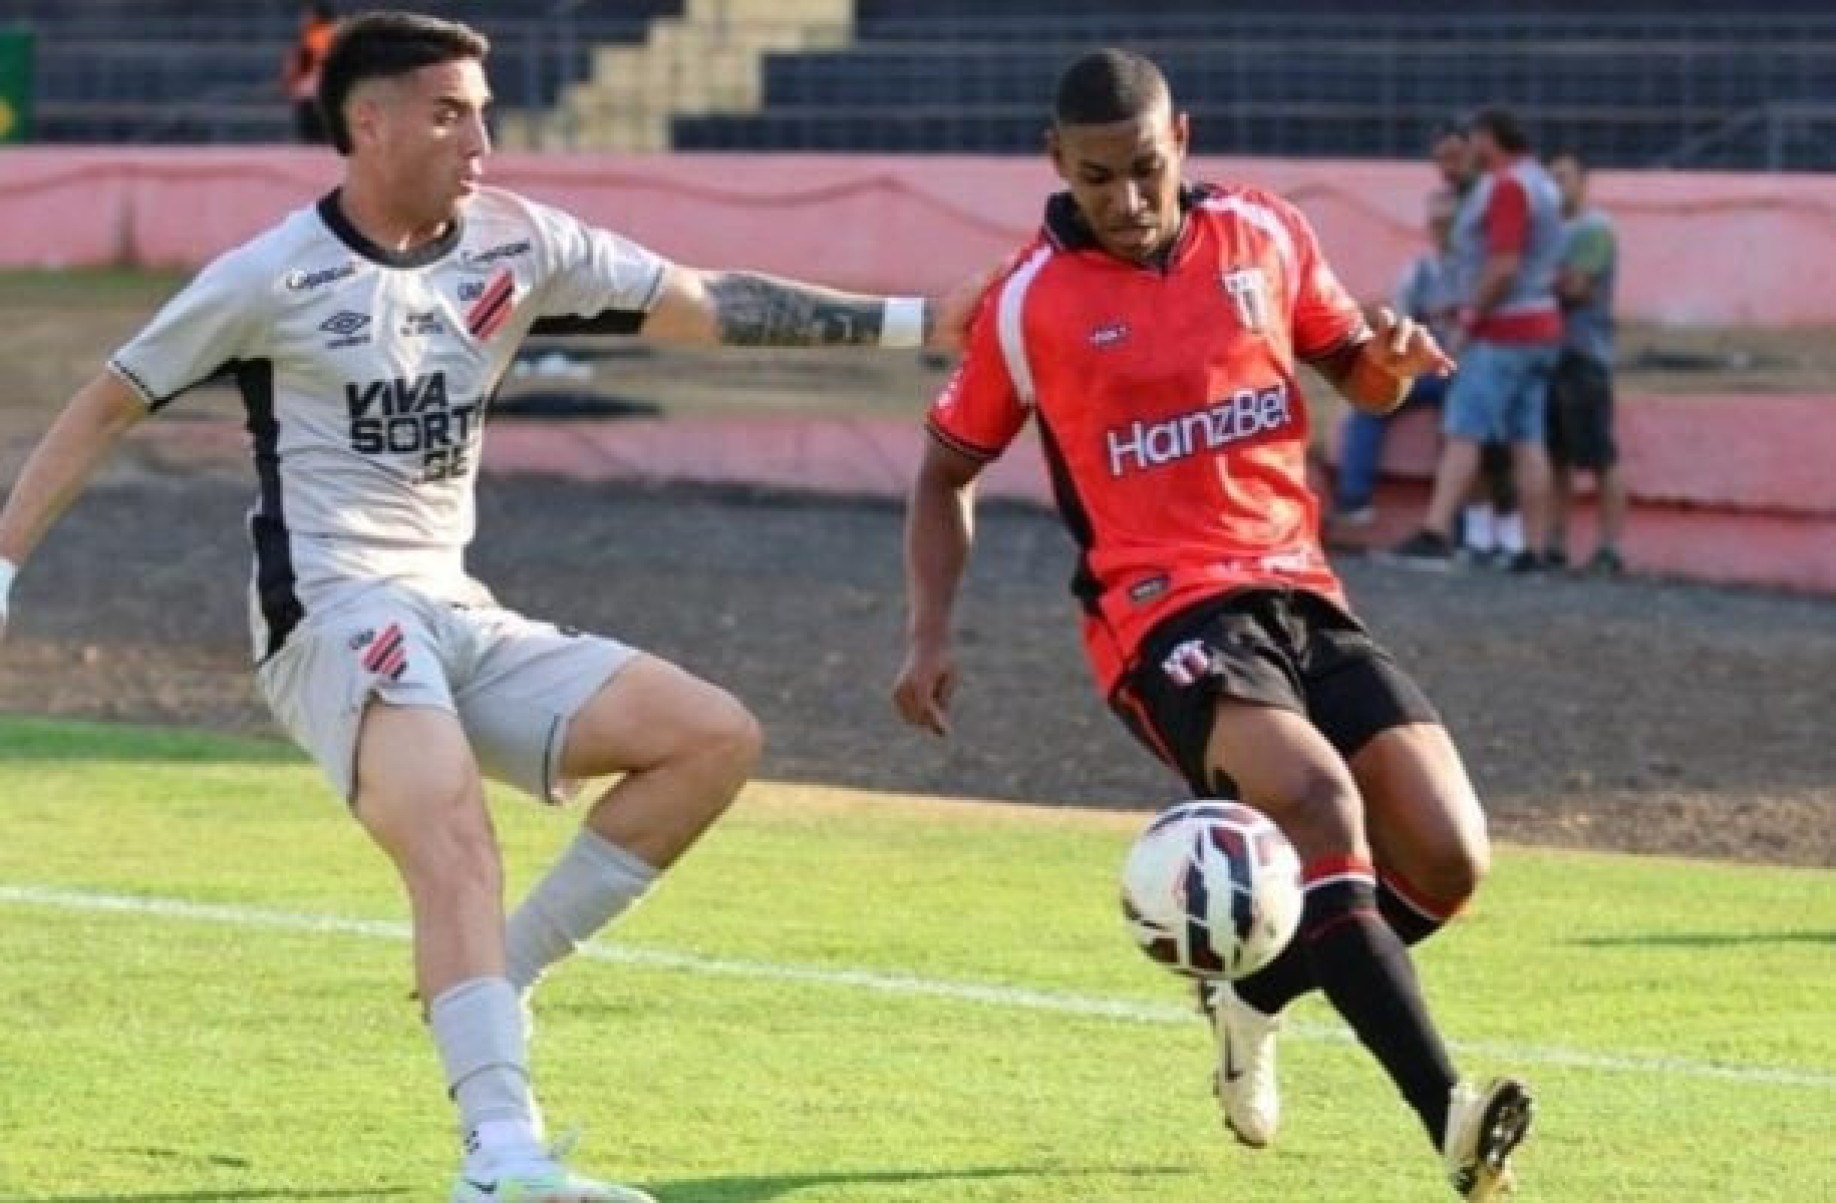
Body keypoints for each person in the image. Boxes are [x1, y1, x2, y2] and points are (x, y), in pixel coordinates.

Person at [0, 13, 972, 1203]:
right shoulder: (270, 276)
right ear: (369, 122)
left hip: (455, 609)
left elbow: (706, 301)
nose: (484, 138)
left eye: (484, 109)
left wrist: (923, 321)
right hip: (334, 619)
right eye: (453, 110)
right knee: (454, 831)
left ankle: (493, 974)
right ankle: (502, 1156)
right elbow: (107, 402)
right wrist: (2, 567)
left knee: (711, 737)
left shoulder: (521, 244)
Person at [891, 49, 1533, 1201]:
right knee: (1322, 805)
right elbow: (944, 473)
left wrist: (1387, 369)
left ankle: (1252, 996)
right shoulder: (1029, 304)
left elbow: (1357, 372)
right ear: (1055, 164)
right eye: (1098, 179)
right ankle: (1450, 1116)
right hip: (1160, 614)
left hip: (1302, 593)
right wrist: (929, 633)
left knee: (1446, 858)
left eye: (1145, 169)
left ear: (1180, 137)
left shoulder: (1266, 234)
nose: (1128, 202)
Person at [1393, 107, 1563, 572]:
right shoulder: (1543, 184)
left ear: (1488, 140)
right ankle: (1533, 547)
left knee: (1464, 430)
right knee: (1529, 439)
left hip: (1501, 330)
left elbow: (1503, 266)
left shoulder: (1508, 186)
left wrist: (1469, 316)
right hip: (1540, 325)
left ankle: (1436, 530)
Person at [1331, 186, 1460, 526]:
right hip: (1426, 368)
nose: (1443, 229)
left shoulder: (1477, 272)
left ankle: (1458, 520)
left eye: (1450, 221)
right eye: (1438, 222)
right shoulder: (1420, 272)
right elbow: (1401, 327)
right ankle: (1354, 500)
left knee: (1465, 419)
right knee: (1370, 397)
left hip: (1466, 369)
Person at [1545, 149, 1626, 575]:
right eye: (1551, 178)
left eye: (1563, 177)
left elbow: (1576, 288)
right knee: (1556, 455)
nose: (1556, 187)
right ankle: (1556, 541)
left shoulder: (1595, 230)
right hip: (1551, 353)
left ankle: (1610, 546)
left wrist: (1536, 280)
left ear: (1582, 182)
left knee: (1597, 455)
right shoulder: (1553, 232)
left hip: (1584, 353)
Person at [284, 1, 338, 144]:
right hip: (330, 92)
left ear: (317, 16)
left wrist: (295, 85)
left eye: (308, 15)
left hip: (313, 92)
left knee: (313, 140)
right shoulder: (336, 33)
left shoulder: (315, 37)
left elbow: (303, 65)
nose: (304, 19)